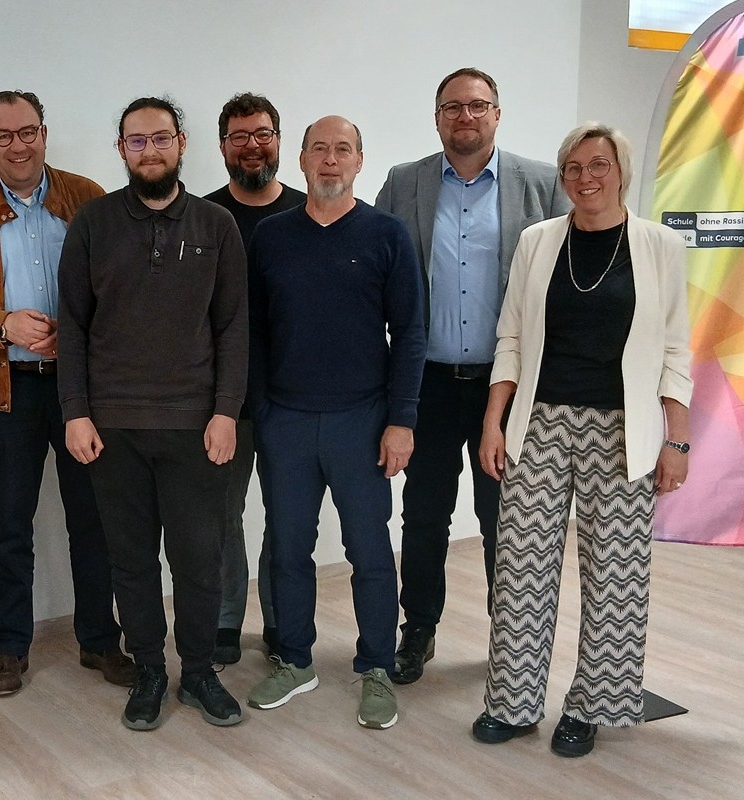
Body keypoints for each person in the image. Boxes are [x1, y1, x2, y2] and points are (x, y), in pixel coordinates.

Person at [470, 123, 692, 758]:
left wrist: (677, 439)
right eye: (573, 167)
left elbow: (677, 348)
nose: (586, 178)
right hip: (539, 422)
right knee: (520, 568)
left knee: (616, 574)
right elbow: (510, 337)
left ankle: (591, 707)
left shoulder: (659, 246)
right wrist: (494, 419)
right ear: (562, 176)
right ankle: (512, 705)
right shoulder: (539, 242)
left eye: (599, 165)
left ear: (621, 171)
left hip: (625, 429)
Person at [0, 90, 133, 697]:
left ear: (45, 132)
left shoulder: (89, 197)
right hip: (6, 390)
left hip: (81, 391)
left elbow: (119, 290)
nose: (17, 145)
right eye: (3, 135)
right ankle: (10, 649)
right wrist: (3, 326)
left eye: (27, 132)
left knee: (92, 519)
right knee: (10, 524)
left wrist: (74, 335)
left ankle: (100, 641)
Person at [57, 96, 248, 731]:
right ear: (120, 151)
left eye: (160, 138)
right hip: (112, 426)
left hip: (196, 425)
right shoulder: (92, 223)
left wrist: (225, 412)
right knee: (132, 559)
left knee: (199, 556)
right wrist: (76, 413)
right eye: (135, 142)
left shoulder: (218, 225)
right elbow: (74, 327)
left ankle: (197, 672)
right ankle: (148, 669)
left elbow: (233, 329)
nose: (149, 150)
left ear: (182, 144)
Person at [375, 67, 569, 685]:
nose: (466, 116)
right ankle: (419, 632)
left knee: (504, 517)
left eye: (478, 106)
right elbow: (376, 274)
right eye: (454, 107)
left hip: (507, 386)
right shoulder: (403, 184)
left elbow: (570, 281)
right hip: (426, 381)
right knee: (425, 515)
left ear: (497, 114)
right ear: (437, 117)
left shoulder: (541, 184)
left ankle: (510, 639)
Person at [245, 115, 426, 730]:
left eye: (341, 149)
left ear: (359, 160)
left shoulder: (386, 234)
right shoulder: (270, 237)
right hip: (286, 422)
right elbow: (253, 333)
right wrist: (262, 409)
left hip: (363, 419)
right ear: (300, 159)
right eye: (319, 149)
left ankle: (376, 667)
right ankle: (294, 660)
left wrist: (401, 420)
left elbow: (410, 334)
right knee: (288, 548)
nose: (330, 160)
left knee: (370, 550)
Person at [203, 92, 306, 664]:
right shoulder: (200, 215)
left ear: (278, 140)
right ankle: (223, 621)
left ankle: (281, 619)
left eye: (262, 133)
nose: (251, 145)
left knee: (287, 514)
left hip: (292, 395)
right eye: (239, 136)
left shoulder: (308, 212)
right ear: (222, 146)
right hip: (224, 397)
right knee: (223, 515)